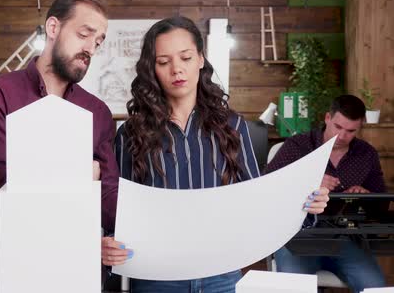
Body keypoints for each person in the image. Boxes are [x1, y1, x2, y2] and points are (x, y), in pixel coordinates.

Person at [101, 16, 330, 293]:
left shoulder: (233, 127)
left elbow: (257, 201)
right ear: (152, 69)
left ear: (200, 59)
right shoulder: (130, 133)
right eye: (163, 62)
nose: (177, 70)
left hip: (221, 277)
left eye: (185, 57)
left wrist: (305, 208)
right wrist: (109, 241)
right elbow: (118, 208)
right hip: (156, 277)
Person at [0, 0, 119, 293]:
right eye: (84, 34)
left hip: (79, 265)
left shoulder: (98, 112)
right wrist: (83, 173)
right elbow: (1, 184)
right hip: (14, 264)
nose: (91, 47)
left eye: (99, 41)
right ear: (53, 28)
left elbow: (107, 193)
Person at [266, 94, 386, 292]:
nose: (342, 136)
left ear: (360, 127)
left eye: (351, 131)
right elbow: (267, 186)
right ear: (327, 118)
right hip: (297, 237)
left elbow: (381, 204)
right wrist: (307, 181)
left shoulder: (367, 154)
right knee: (292, 289)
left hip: (346, 239)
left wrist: (364, 194)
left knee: (376, 288)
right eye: (338, 127)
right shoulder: (298, 146)